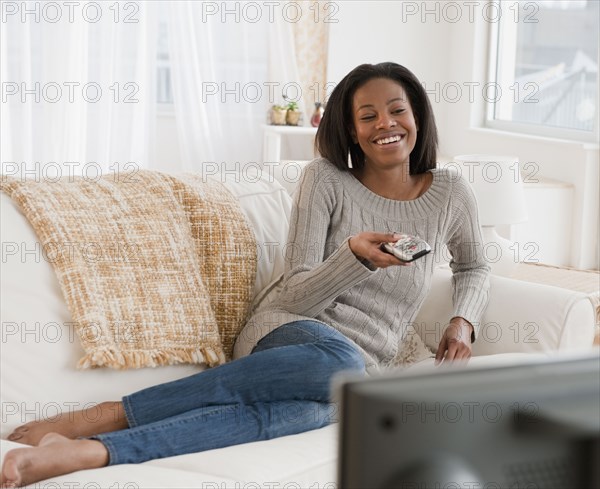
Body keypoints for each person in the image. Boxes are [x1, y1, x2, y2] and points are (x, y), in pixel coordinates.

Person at [0, 62, 490, 487]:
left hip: (361, 369)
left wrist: (462, 321)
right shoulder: (326, 181)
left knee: (312, 409)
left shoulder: (450, 193)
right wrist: (353, 259)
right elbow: (296, 295)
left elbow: (475, 264)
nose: (386, 123)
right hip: (287, 332)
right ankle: (105, 414)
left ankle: (92, 451)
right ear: (352, 130)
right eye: (368, 116)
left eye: (397, 109)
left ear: (418, 115)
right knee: (336, 364)